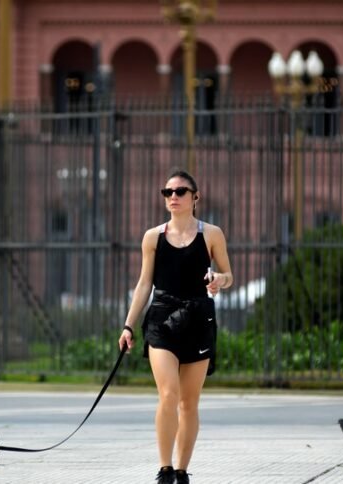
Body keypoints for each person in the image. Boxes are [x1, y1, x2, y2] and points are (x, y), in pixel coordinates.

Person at [118, 169, 233, 484]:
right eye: (167, 192)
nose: (173, 197)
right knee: (168, 394)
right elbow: (144, 284)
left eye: (180, 192)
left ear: (195, 197)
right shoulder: (152, 237)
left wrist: (218, 280)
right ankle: (165, 469)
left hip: (198, 317)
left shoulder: (211, 234)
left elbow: (228, 275)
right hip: (162, 318)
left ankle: (182, 471)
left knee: (189, 402)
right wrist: (128, 326)